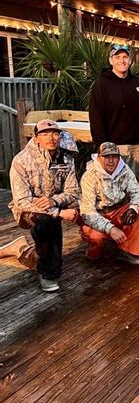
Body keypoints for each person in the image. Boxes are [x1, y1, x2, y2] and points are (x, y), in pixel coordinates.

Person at [0, 119, 80, 292]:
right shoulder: (21, 161)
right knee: (47, 223)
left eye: (54, 133)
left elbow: (74, 191)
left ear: (60, 136)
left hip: (55, 203)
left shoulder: (66, 158)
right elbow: (22, 201)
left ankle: (20, 249)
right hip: (27, 210)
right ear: (36, 138)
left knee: (83, 209)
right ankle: (49, 274)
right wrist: (58, 212)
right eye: (44, 134)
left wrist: (54, 201)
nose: (50, 138)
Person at [80, 142, 139, 265]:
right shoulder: (89, 176)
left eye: (114, 157)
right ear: (99, 157)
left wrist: (133, 208)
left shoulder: (125, 170)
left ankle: (127, 250)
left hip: (119, 210)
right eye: (106, 157)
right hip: (99, 214)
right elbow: (87, 212)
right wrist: (110, 228)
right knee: (95, 242)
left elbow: (138, 193)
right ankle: (94, 249)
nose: (111, 161)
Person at [89, 44, 139, 175]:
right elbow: (96, 117)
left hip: (134, 147)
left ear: (130, 61)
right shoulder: (101, 84)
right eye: (118, 57)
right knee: (110, 188)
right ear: (111, 60)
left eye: (125, 57)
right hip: (112, 148)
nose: (122, 60)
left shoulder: (137, 84)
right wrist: (102, 146)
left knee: (132, 188)